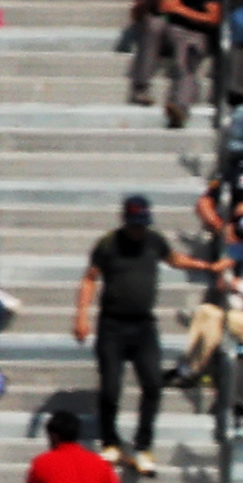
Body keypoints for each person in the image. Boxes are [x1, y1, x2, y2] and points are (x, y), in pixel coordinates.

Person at [74, 194, 185, 456]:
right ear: (124, 220)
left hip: (143, 326)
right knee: (111, 387)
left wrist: (207, 267)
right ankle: (110, 440)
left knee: (153, 384)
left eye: (142, 224)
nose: (138, 230)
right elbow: (90, 279)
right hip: (113, 325)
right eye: (134, 224)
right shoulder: (108, 244)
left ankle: (143, 443)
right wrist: (81, 317)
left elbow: (174, 259)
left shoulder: (154, 240)